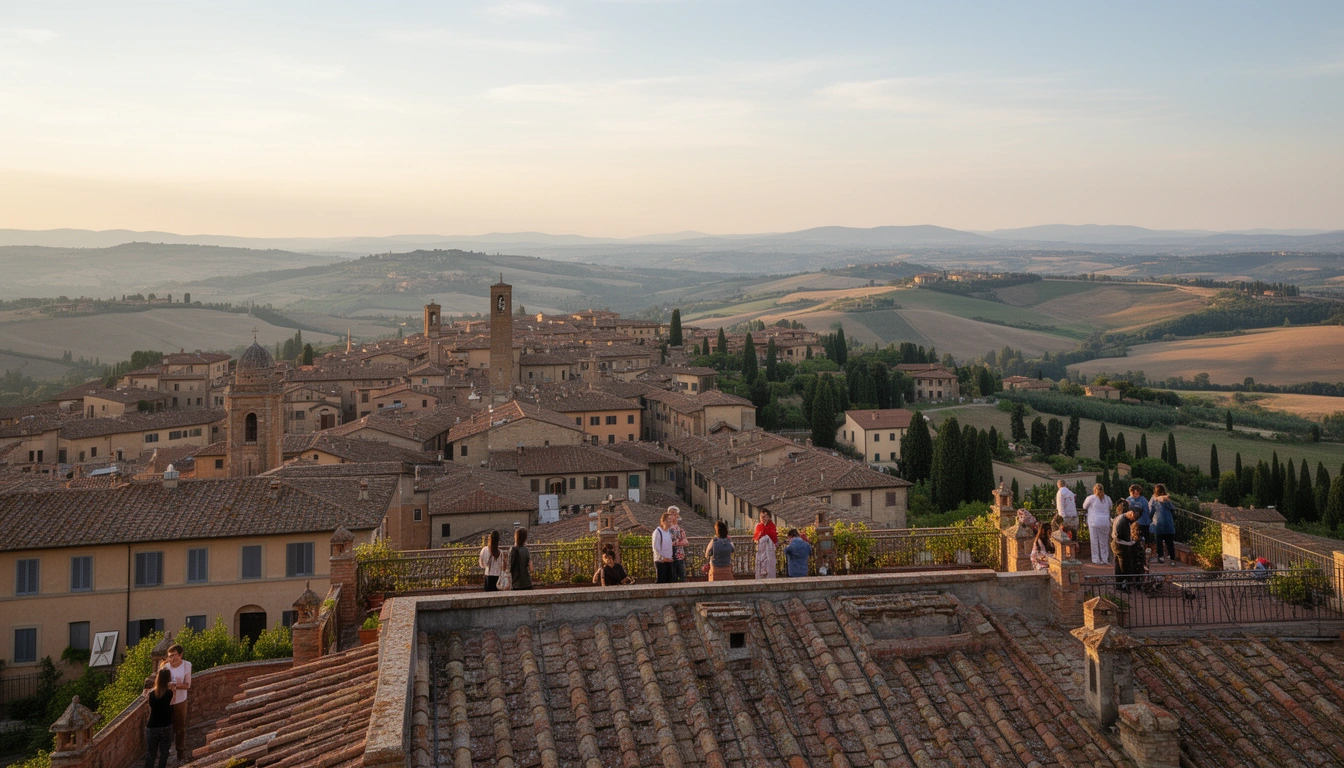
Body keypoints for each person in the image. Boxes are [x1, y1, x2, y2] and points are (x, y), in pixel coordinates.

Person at [162, 644, 191, 763]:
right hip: (167, 701)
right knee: (167, 727)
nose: (172, 658)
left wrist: (173, 685)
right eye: (170, 656)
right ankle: (166, 751)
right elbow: (160, 683)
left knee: (180, 727)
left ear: (180, 655)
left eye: (174, 655)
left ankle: (180, 752)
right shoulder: (165, 667)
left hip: (180, 700)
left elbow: (187, 685)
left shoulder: (186, 665)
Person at [144, 667, 174, 768]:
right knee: (164, 753)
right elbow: (172, 706)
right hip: (166, 725)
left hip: (152, 725)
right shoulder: (169, 693)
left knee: (150, 754)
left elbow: (150, 707)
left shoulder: (151, 694)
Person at [1083, 483, 1113, 565]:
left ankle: (1096, 559)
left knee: (1094, 541)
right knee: (1104, 542)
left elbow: (1084, 506)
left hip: (1094, 522)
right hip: (1105, 522)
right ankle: (1104, 558)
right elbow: (1110, 507)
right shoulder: (1107, 498)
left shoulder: (1090, 498)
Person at [1110, 502, 1138, 585]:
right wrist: (1131, 543)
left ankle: (1119, 583)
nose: (1133, 520)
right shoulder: (1123, 521)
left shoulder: (1121, 517)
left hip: (1116, 543)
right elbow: (1119, 536)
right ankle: (1123, 583)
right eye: (1133, 518)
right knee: (1124, 565)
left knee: (1118, 565)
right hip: (1120, 545)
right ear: (1131, 513)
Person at [1150, 484, 1176, 565]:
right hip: (1169, 524)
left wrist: (1150, 519)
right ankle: (1172, 559)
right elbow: (1173, 510)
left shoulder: (1154, 500)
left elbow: (1151, 511)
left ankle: (1161, 557)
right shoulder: (1167, 500)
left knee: (1159, 542)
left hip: (1158, 524)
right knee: (1170, 543)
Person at [1127, 484, 1152, 557]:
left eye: (1136, 494)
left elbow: (1141, 510)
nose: (1135, 496)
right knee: (1134, 539)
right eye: (1133, 494)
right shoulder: (1128, 499)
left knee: (1146, 538)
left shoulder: (1143, 500)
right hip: (1133, 524)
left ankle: (1146, 553)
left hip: (1143, 522)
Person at [753, 510, 778, 580]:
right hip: (761, 551)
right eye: (761, 516)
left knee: (770, 570)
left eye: (764, 516)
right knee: (760, 571)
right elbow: (755, 538)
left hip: (769, 552)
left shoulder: (772, 526)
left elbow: (774, 539)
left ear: (769, 517)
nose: (762, 518)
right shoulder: (758, 526)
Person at [652, 511, 676, 584]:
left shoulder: (669, 532)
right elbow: (655, 547)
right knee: (661, 581)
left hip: (669, 560)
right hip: (661, 561)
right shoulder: (658, 532)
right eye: (669, 519)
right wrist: (663, 558)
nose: (670, 522)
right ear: (664, 521)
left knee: (670, 581)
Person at [667, 506, 689, 582]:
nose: (673, 516)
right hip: (670, 557)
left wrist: (676, 543)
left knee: (682, 577)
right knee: (672, 577)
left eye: (675, 514)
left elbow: (686, 542)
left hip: (680, 556)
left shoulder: (680, 529)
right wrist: (679, 542)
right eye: (671, 513)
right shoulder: (666, 529)